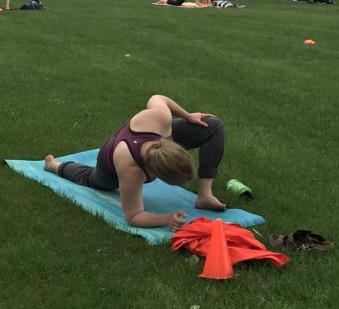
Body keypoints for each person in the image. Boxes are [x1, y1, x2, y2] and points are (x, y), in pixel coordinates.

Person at [44, 94, 227, 230]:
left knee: (213, 125)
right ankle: (54, 166)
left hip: (149, 138)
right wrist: (166, 218)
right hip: (110, 160)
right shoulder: (131, 169)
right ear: (156, 175)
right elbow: (134, 216)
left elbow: (158, 98)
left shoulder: (161, 119)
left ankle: (205, 196)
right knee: (92, 179)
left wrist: (188, 116)